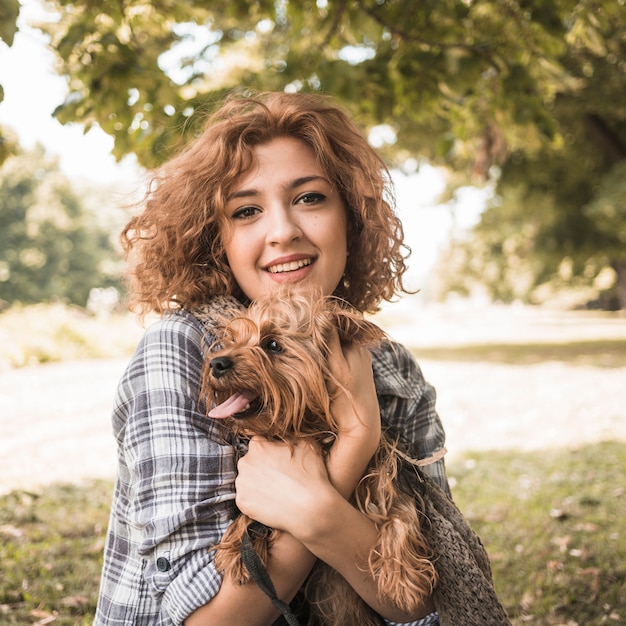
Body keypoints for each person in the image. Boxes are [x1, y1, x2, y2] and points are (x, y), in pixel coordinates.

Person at [94, 91, 448, 626]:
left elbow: (428, 605)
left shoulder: (396, 372)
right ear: (218, 240)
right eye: (247, 210)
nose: (282, 231)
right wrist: (351, 454)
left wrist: (321, 492)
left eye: (309, 198)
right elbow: (208, 621)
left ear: (350, 218)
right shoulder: (184, 352)